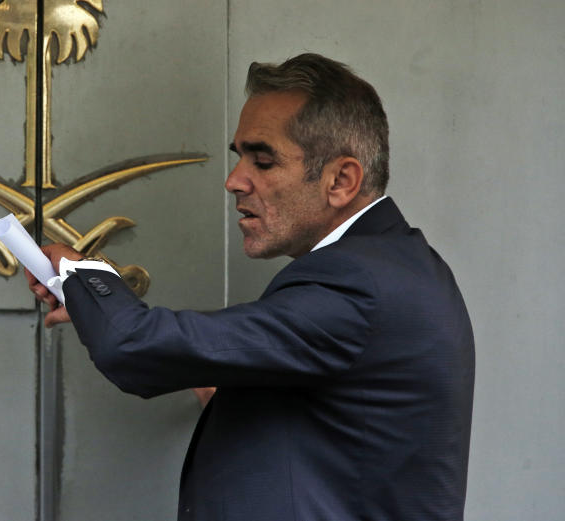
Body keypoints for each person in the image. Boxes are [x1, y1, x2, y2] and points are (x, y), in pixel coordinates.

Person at [27, 53, 474, 521]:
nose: (234, 180)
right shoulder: (394, 265)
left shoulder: (358, 283)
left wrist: (81, 274)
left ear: (341, 180)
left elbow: (131, 347)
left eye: (263, 160)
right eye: (239, 157)